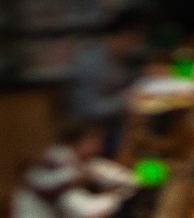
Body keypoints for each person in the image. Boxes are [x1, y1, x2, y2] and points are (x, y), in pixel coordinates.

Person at [9, 118, 137, 218]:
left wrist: (131, 182)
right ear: (76, 142)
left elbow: (122, 177)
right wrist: (120, 194)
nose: (100, 145)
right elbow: (88, 211)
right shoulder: (57, 169)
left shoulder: (78, 162)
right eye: (94, 141)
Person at [63, 11, 148, 157]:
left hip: (113, 120)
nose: (137, 45)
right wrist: (126, 99)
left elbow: (122, 80)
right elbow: (88, 108)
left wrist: (144, 73)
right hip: (90, 128)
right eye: (136, 39)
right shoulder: (91, 63)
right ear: (125, 35)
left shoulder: (118, 57)